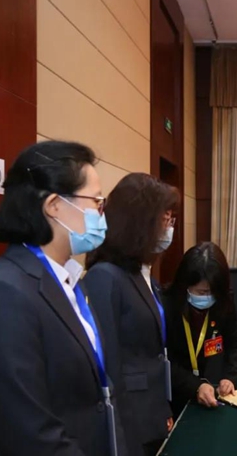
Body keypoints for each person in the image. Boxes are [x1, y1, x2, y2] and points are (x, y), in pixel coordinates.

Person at [0, 141, 126, 455]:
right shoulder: (0, 294)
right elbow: (29, 433)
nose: (102, 215)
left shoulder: (70, 281)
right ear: (54, 205)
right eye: (97, 202)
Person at [84, 173, 183, 456]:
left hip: (152, 413)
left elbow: (154, 355)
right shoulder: (105, 277)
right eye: (164, 219)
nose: (168, 228)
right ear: (140, 222)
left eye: (171, 219)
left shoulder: (142, 274)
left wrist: (163, 410)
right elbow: (110, 369)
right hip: (130, 423)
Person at [163, 242, 237, 416]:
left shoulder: (223, 300)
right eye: (201, 292)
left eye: (212, 292)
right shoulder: (167, 305)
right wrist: (195, 385)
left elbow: (235, 342)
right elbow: (164, 359)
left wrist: (230, 377)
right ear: (185, 285)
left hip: (211, 395)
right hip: (175, 396)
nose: (208, 297)